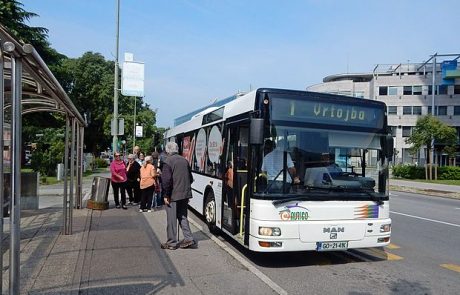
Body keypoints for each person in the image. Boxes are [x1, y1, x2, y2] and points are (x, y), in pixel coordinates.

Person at [161, 142, 196, 250]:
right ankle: (189, 238)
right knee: (183, 216)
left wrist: (166, 195)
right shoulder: (184, 160)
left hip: (173, 195)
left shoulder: (168, 161)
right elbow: (190, 178)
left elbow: (166, 181)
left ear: (167, 151)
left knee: (172, 219)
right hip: (185, 194)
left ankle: (172, 242)